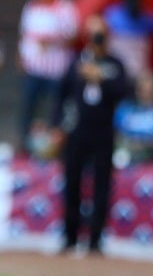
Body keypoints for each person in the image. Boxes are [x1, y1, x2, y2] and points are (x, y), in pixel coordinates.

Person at [51, 15, 127, 255]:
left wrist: (100, 78)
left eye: (100, 35)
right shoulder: (76, 62)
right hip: (77, 129)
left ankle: (95, 238)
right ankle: (70, 235)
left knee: (102, 184)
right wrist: (56, 125)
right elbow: (61, 95)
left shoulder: (114, 64)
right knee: (72, 181)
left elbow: (124, 90)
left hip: (104, 130)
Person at [18, 0, 78, 153]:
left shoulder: (64, 7)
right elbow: (25, 35)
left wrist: (52, 40)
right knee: (28, 108)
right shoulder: (31, 7)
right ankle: (26, 146)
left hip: (56, 71)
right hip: (34, 69)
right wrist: (21, 56)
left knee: (56, 112)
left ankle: (57, 149)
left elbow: (73, 35)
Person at [104, 0, 153, 81]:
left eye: (136, 0)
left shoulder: (147, 19)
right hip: (116, 74)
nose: (134, 3)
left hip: (139, 76)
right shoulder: (112, 17)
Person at [114, 70, 153, 164]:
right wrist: (128, 143)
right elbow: (114, 133)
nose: (146, 93)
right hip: (126, 153)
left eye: (150, 90)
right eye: (142, 89)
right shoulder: (125, 108)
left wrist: (145, 144)